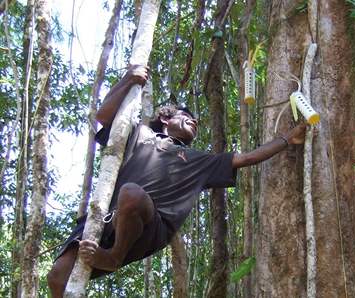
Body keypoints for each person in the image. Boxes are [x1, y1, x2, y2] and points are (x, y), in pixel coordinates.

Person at [47, 65, 307, 297]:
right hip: (108, 219)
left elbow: (247, 158)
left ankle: (114, 256)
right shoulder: (140, 133)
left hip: (149, 226)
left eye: (195, 122)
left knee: (131, 193)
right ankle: (107, 251)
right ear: (165, 118)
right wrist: (129, 79)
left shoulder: (198, 160)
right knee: (57, 276)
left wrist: (287, 139)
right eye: (186, 117)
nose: (194, 121)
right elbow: (104, 117)